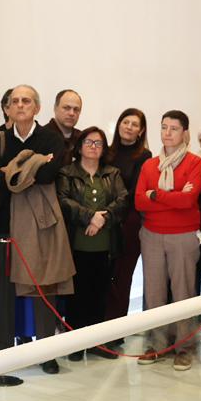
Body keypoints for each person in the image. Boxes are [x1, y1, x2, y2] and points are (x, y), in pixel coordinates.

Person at [0, 85, 76, 384]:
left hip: (39, 224)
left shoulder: (51, 137)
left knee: (42, 287)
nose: (21, 105)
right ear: (7, 108)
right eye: (15, 101)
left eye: (27, 101)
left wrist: (12, 171)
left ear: (37, 108)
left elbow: (49, 174)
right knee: (4, 290)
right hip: (4, 223)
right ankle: (2, 353)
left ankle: (46, 353)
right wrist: (34, 165)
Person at [134, 109, 201, 370]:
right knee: (153, 293)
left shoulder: (194, 163)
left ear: (184, 132)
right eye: (164, 127)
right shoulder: (149, 165)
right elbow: (139, 201)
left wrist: (156, 195)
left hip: (183, 237)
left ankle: (184, 347)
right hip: (152, 235)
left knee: (183, 292)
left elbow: (188, 200)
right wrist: (170, 197)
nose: (167, 133)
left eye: (173, 128)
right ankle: (156, 345)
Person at [57, 126, 129, 357]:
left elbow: (122, 200)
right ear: (79, 146)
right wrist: (90, 216)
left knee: (100, 294)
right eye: (89, 142)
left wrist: (102, 219)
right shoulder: (67, 173)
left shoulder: (112, 173)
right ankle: (75, 345)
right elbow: (63, 200)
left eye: (99, 143)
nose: (93, 147)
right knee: (77, 296)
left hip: (105, 245)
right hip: (76, 244)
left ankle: (97, 343)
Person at [104, 108, 152, 323]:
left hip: (128, 223)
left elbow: (135, 191)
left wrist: (113, 210)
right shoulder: (107, 151)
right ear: (119, 124)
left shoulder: (144, 156)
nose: (129, 127)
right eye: (126, 122)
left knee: (122, 277)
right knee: (103, 275)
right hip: (103, 221)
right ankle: (97, 325)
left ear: (141, 131)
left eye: (135, 124)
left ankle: (115, 329)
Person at [45, 88, 83, 163]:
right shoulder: (41, 137)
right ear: (55, 108)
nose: (72, 113)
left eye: (76, 109)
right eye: (66, 108)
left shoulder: (82, 139)